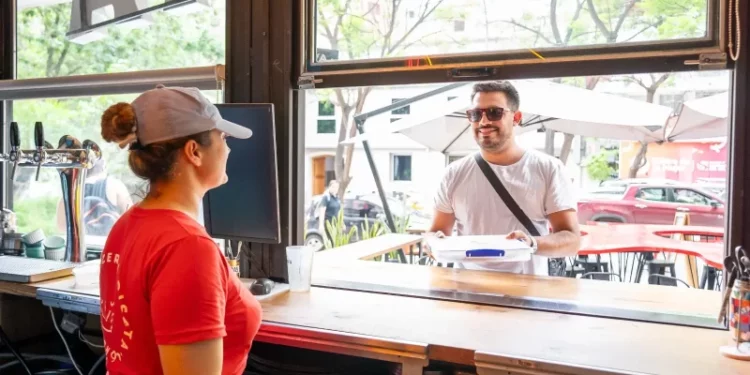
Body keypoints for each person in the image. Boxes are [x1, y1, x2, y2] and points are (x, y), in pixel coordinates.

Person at [98, 85, 261, 375]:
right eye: (222, 137)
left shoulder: (126, 225)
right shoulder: (188, 246)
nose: (228, 147)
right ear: (194, 151)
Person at [428, 81, 580, 275]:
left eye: (494, 112)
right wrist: (432, 243)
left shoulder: (548, 169)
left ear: (516, 117)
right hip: (466, 293)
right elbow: (436, 232)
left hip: (527, 294)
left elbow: (571, 240)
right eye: (475, 114)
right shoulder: (453, 174)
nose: (483, 122)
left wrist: (532, 243)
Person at [55, 157, 133, 237]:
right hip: (107, 243)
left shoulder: (71, 189)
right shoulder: (114, 184)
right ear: (103, 168)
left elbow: (62, 227)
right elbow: (131, 219)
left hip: (82, 244)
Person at [317, 179, 341, 246]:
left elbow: (339, 212)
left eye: (336, 187)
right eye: (333, 187)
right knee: (329, 243)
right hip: (328, 224)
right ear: (329, 187)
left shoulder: (337, 198)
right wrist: (321, 225)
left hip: (335, 225)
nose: (335, 189)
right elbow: (322, 211)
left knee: (335, 243)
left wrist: (342, 223)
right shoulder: (326, 197)